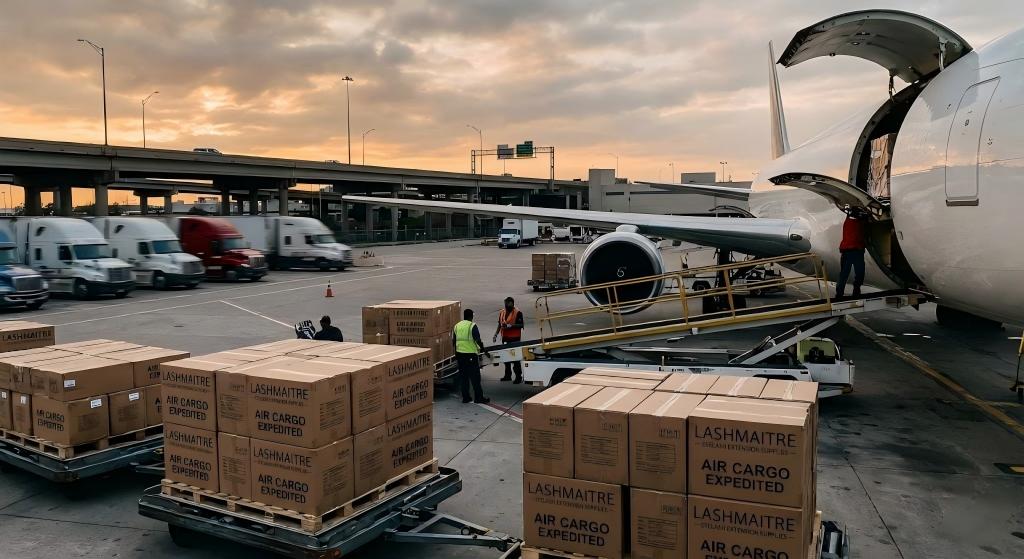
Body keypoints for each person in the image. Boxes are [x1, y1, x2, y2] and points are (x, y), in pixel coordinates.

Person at [453, 309, 489, 404]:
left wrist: (456, 354)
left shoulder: (457, 326)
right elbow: (478, 340)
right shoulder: (472, 326)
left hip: (460, 355)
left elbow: (454, 341)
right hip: (470, 355)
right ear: (471, 316)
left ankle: (466, 397)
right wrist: (483, 350)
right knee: (475, 378)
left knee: (464, 377)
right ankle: (479, 398)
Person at [836, 207, 867, 299]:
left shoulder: (847, 222)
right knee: (860, 273)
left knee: (844, 274)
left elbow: (850, 216)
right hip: (856, 251)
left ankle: (839, 294)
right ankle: (856, 290)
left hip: (846, 251)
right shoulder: (858, 223)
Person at [493, 297, 525, 384]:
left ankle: (518, 376)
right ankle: (508, 375)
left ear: (512, 304)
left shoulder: (518, 312)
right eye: (506, 304)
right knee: (505, 358)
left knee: (515, 359)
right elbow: (499, 324)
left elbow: (521, 324)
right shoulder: (502, 312)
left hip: (514, 338)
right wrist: (496, 334)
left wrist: (511, 326)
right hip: (505, 338)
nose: (507, 306)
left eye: (509, 304)